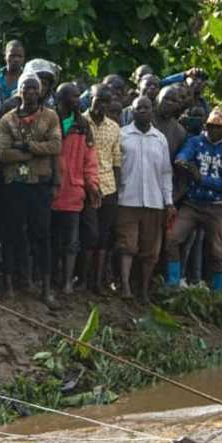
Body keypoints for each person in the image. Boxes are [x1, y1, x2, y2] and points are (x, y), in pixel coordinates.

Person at [0, 73, 62, 305]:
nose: (31, 92)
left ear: (41, 91)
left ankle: (45, 288)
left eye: (35, 88)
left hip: (40, 184)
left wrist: (25, 146)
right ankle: (9, 285)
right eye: (26, 87)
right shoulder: (7, 119)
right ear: (19, 91)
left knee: (42, 236)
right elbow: (4, 154)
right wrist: (36, 152)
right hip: (14, 184)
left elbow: (55, 146)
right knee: (11, 234)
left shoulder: (51, 116)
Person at [166, 108, 222, 292]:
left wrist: (201, 179)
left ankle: (217, 291)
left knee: (217, 250)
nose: (213, 130)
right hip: (193, 203)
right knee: (172, 238)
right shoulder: (196, 141)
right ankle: (173, 283)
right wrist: (182, 160)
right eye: (211, 126)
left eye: (218, 128)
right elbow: (184, 153)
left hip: (217, 207)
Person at [117, 95, 173, 303]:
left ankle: (144, 290)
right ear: (132, 111)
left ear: (152, 110)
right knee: (127, 245)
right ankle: (125, 286)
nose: (142, 111)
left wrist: (168, 201)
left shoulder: (160, 138)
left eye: (146, 107)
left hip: (154, 201)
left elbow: (166, 172)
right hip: (127, 199)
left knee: (150, 250)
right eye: (137, 108)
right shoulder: (122, 135)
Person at [50, 82, 100, 296]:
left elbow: (90, 160)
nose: (78, 100)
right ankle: (51, 278)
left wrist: (92, 185)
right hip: (51, 190)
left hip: (73, 191)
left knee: (71, 241)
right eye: (73, 96)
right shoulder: (50, 120)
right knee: (51, 239)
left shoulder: (83, 126)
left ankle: (68, 282)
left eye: (79, 96)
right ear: (61, 98)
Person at [83, 84, 122, 294]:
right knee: (90, 234)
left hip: (108, 187)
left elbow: (116, 160)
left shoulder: (114, 127)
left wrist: (115, 189)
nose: (102, 105)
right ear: (90, 98)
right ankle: (83, 279)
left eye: (107, 102)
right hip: (85, 186)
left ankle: (97, 283)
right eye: (99, 100)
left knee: (104, 237)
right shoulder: (78, 121)